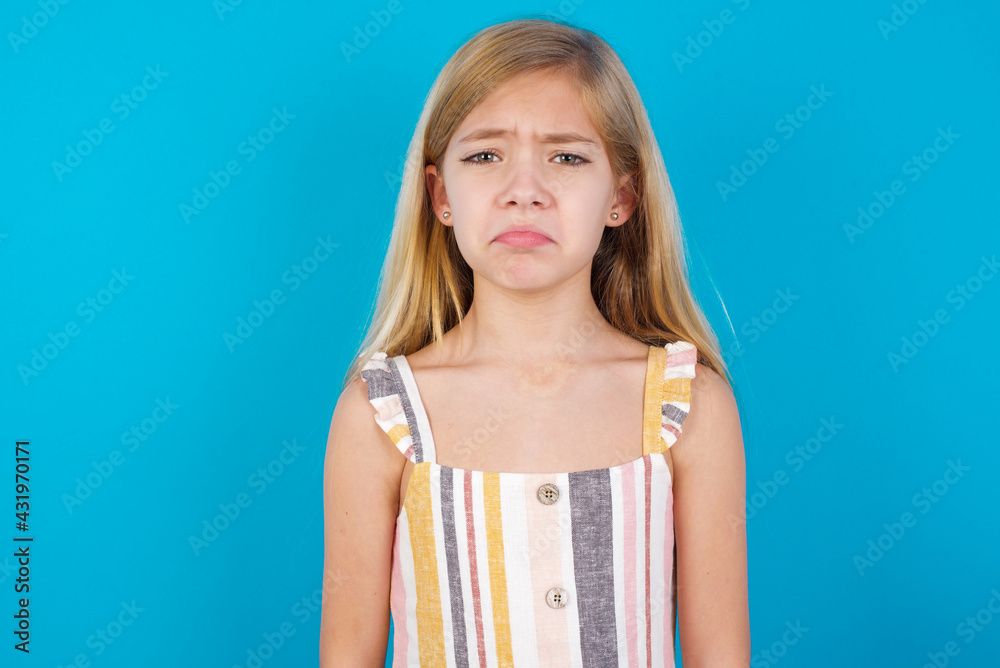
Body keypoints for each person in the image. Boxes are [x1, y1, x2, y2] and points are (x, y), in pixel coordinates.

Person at [320, 17, 749, 667]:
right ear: (440, 195)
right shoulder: (381, 416)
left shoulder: (689, 408)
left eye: (568, 157)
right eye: (485, 156)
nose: (524, 192)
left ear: (621, 197)